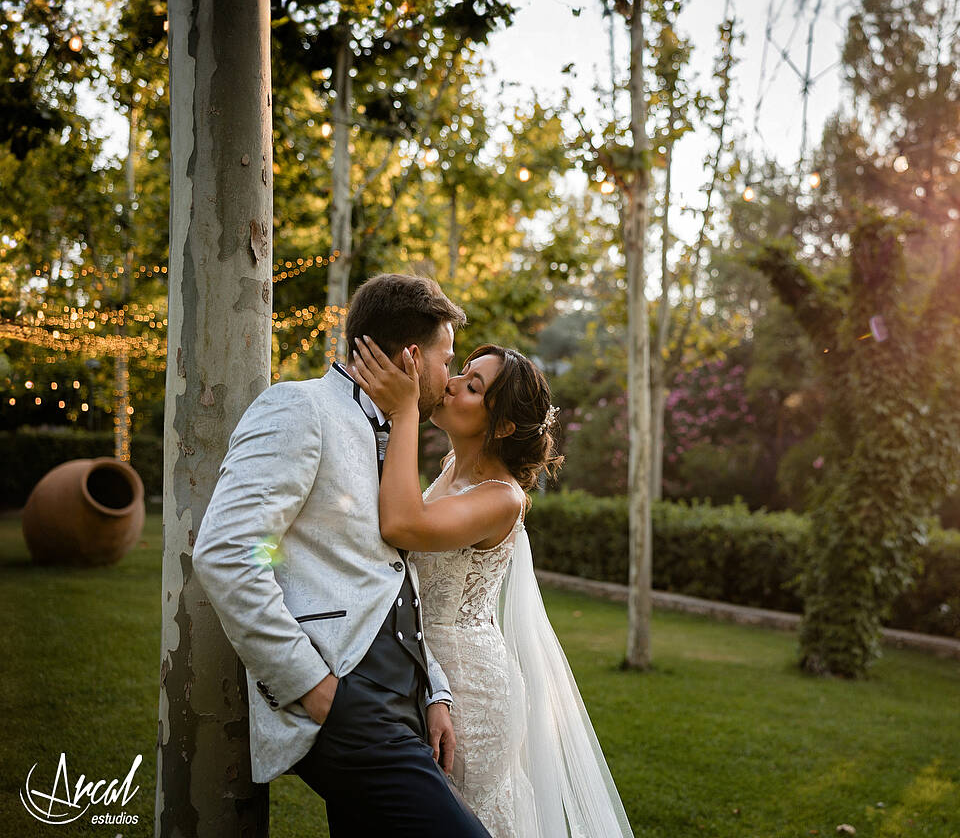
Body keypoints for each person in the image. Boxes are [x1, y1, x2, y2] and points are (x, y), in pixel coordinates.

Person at [192, 273, 491, 837]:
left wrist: (436, 691)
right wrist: (313, 687)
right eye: (446, 359)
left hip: (403, 704)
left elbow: (392, 576)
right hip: (344, 696)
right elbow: (230, 552)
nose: (449, 377)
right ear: (410, 357)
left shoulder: (391, 436)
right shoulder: (299, 408)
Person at [348, 335, 633, 838]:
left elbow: (402, 526)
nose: (452, 383)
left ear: (502, 424)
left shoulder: (503, 498)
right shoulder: (451, 470)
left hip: (469, 687)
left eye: (473, 386)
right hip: (420, 668)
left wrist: (405, 410)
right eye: (462, 373)